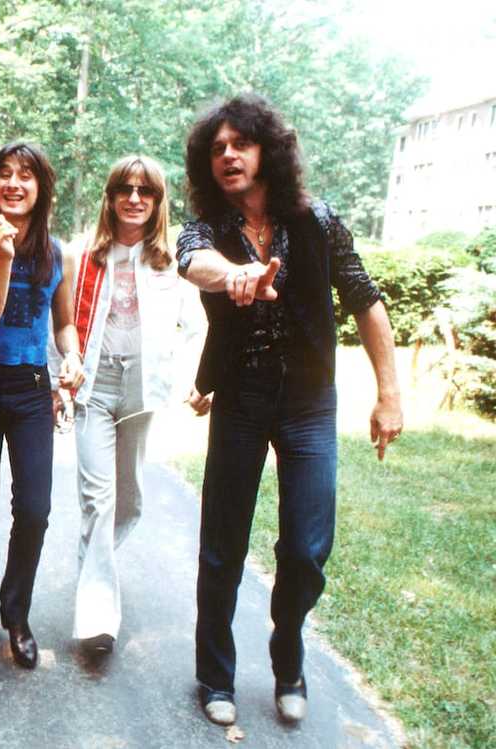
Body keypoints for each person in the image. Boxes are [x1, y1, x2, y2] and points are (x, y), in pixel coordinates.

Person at [176, 94, 403, 726]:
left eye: (240, 144)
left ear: (267, 150)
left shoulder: (318, 220)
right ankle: (215, 676)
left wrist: (389, 393)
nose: (228, 156)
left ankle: (288, 657)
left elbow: (365, 299)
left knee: (305, 548)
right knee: (222, 543)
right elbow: (194, 263)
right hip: (242, 397)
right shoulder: (208, 229)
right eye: (216, 149)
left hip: (308, 401)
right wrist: (234, 275)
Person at [0, 141, 83, 670]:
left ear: (41, 188)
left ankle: (16, 615)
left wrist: (70, 358)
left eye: (25, 175)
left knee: (34, 510)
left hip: (31, 391)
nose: (14, 183)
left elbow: (64, 321)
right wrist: (2, 256)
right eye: (4, 174)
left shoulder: (58, 253)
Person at [67, 155, 206, 654]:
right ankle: (97, 617)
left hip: (142, 391)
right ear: (110, 197)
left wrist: (194, 380)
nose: (134, 198)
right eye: (124, 188)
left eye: (145, 191)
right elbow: (58, 321)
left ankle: (93, 562)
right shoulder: (83, 255)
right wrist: (63, 369)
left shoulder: (170, 264)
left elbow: (196, 328)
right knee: (97, 500)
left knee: (129, 502)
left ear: (157, 201)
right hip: (94, 388)